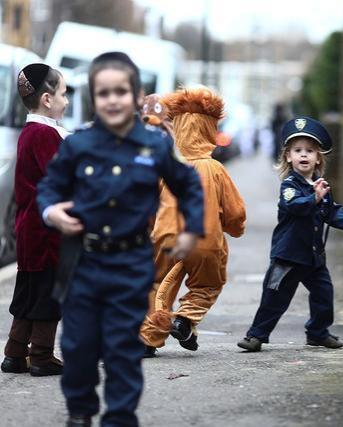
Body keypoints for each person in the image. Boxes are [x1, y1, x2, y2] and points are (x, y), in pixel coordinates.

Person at [37, 52, 204, 427]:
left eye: (121, 92)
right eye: (103, 93)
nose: (112, 99)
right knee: (77, 347)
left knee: (122, 350)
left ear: (136, 95)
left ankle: (120, 417)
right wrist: (52, 212)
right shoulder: (77, 145)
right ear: (94, 98)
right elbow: (49, 186)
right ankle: (80, 412)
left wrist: (192, 229)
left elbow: (189, 184)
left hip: (130, 266)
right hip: (82, 264)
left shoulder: (154, 145)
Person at [237, 116, 343, 352]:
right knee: (274, 298)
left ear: (318, 158)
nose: (304, 155)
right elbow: (295, 206)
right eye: (298, 150)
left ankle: (317, 333)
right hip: (288, 256)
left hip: (313, 257)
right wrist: (314, 198)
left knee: (324, 295)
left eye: (309, 151)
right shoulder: (289, 186)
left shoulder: (321, 186)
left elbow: (331, 212)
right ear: (288, 156)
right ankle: (256, 335)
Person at [140, 87, 246, 357]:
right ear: (210, 128)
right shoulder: (215, 169)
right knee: (207, 284)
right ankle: (184, 319)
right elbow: (234, 213)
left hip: (166, 238)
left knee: (157, 286)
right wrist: (235, 229)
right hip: (204, 240)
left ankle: (148, 338)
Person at [1, 63, 69, 377]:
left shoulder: (32, 131)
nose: (67, 101)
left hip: (30, 228)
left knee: (28, 292)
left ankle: (15, 353)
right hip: (47, 232)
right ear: (46, 99)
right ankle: (41, 355)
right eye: (64, 94)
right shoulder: (45, 134)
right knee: (47, 294)